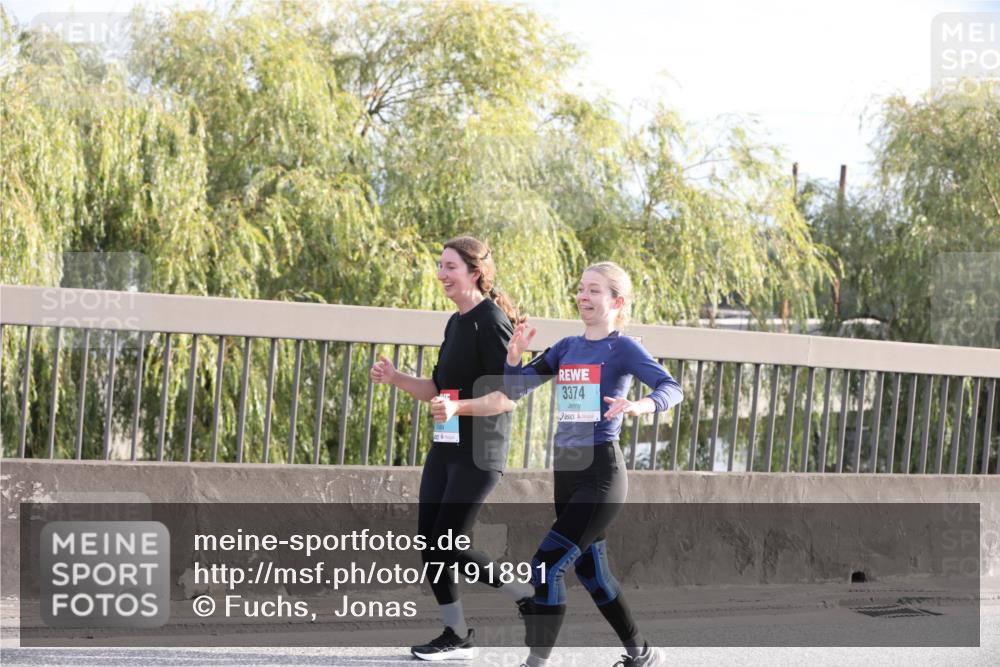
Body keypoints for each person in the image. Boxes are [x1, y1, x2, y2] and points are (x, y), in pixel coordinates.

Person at [504, 261, 683, 667]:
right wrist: (514, 358)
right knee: (592, 574)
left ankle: (536, 662)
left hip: (601, 474)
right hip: (566, 470)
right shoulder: (567, 347)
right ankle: (642, 653)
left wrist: (638, 405)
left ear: (617, 302)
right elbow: (515, 388)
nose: (583, 297)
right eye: (581, 289)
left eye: (594, 291)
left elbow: (671, 388)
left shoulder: (623, 348)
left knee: (546, 566)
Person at [370, 235, 533, 660]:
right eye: (440, 266)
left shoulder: (491, 321)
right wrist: (396, 378)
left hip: (480, 452)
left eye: (450, 267)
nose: (441, 274)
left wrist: (458, 407)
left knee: (448, 543)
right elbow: (438, 389)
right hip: (446, 448)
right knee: (431, 543)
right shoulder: (456, 322)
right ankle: (456, 633)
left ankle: (527, 595)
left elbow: (507, 397)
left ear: (474, 273)